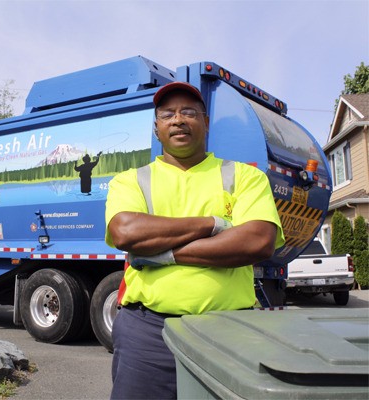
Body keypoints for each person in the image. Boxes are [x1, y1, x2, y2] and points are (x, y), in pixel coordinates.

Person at [105, 82, 285, 399]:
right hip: (147, 333)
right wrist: (213, 223)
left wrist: (161, 255)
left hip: (229, 331)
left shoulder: (244, 176)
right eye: (168, 114)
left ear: (205, 123)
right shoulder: (131, 180)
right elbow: (125, 232)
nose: (178, 120)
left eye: (189, 112)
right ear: (157, 128)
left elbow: (258, 241)